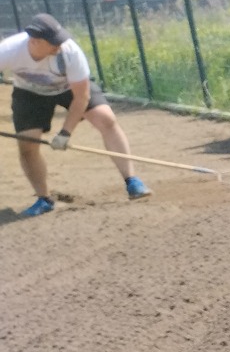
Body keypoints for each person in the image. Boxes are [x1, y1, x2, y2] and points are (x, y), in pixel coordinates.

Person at [4, 13, 147, 216]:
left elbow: (81, 97)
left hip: (68, 88)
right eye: (53, 42)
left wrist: (65, 133)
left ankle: (132, 181)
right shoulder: (9, 50)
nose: (59, 45)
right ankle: (44, 199)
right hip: (29, 94)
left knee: (106, 119)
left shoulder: (70, 52)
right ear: (34, 42)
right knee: (27, 145)